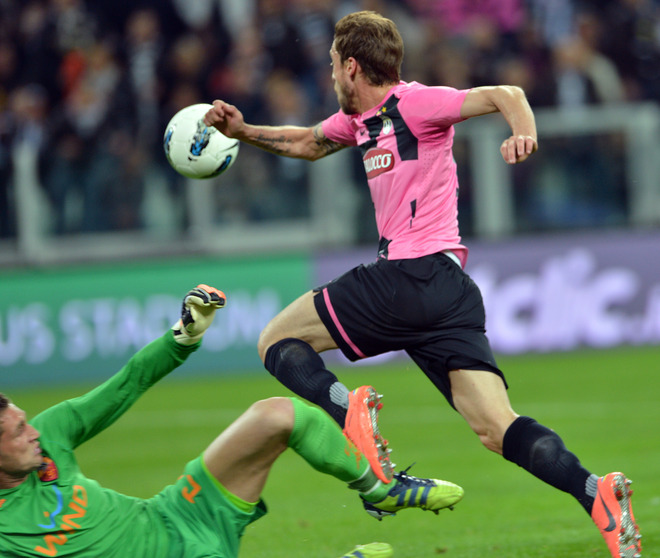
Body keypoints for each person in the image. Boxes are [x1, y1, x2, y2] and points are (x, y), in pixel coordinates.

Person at [203, 10, 642, 558]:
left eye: (334, 65)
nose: (331, 75)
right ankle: (596, 494)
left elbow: (506, 92)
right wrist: (242, 132)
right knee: (495, 428)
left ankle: (350, 414)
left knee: (275, 341)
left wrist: (523, 135)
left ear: (353, 66)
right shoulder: (360, 121)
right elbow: (308, 143)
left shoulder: (416, 102)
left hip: (410, 273)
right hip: (448, 292)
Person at [0, 284, 461, 558]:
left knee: (278, 414)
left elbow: (126, 385)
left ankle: (381, 489)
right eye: (19, 432)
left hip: (179, 513)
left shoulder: (51, 434)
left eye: (26, 420)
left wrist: (183, 338)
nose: (34, 431)